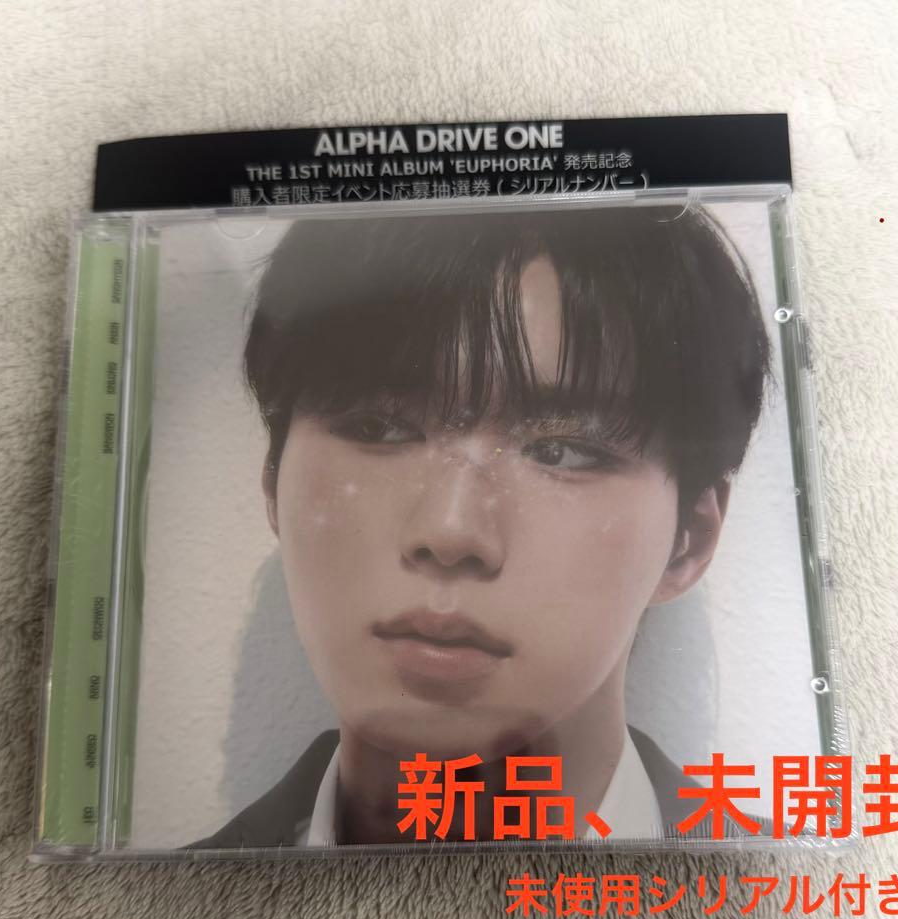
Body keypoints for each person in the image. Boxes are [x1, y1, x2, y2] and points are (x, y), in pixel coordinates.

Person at [193, 201, 769, 848]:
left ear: (688, 540)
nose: (449, 531)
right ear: (274, 482)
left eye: (561, 452)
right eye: (378, 427)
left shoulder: (808, 899)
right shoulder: (144, 905)